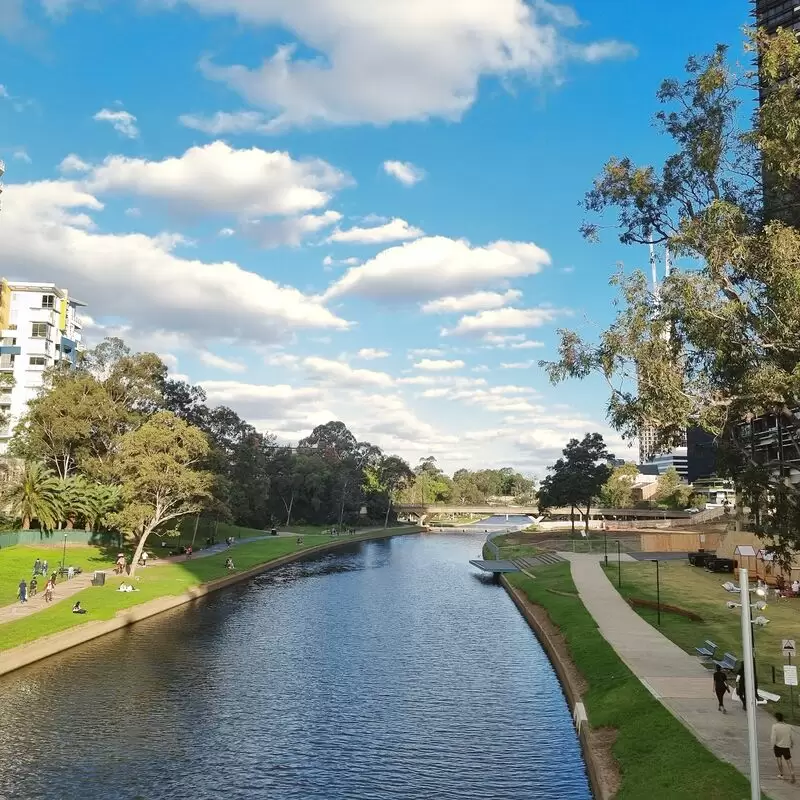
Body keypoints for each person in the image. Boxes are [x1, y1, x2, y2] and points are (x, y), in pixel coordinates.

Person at [771, 712, 796, 783]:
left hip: (778, 746)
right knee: (788, 760)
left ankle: (781, 774)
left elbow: (773, 737)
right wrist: (792, 743)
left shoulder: (774, 726)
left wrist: (772, 745)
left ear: (776, 718)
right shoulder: (788, 726)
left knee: (779, 759)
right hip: (786, 746)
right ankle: (792, 773)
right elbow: (791, 736)